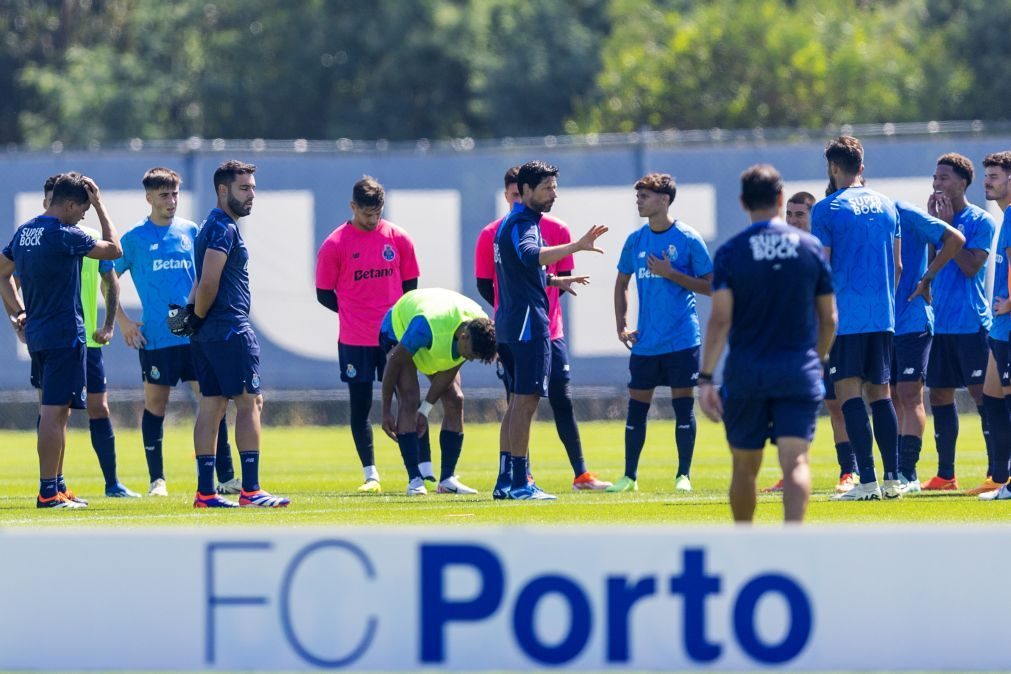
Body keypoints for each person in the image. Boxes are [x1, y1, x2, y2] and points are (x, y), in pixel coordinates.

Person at [699, 164, 836, 523]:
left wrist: (705, 377)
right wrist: (817, 360)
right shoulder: (810, 249)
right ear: (780, 198)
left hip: (747, 373)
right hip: (797, 370)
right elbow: (830, 318)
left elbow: (720, 319)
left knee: (744, 467)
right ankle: (792, 546)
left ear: (744, 202)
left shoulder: (731, 252)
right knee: (796, 463)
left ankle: (746, 545)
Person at [475, 166, 610, 497]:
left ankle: (506, 480)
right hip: (528, 325)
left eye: (555, 187)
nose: (554, 193)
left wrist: (552, 280)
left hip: (509, 323)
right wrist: (576, 246)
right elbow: (531, 255)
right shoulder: (523, 224)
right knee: (525, 403)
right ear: (526, 189)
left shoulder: (509, 224)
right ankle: (521, 483)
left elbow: (516, 270)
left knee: (517, 403)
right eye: (548, 187)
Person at [0, 173, 122, 508]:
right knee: (54, 414)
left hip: (39, 335)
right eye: (81, 209)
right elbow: (114, 249)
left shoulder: (25, 232)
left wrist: (19, 311)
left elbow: (1, 272)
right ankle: (48, 492)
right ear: (69, 205)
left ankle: (58, 485)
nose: (83, 216)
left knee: (58, 412)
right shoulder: (66, 235)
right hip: (64, 335)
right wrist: (99, 204)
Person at [113, 167, 237, 497]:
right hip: (156, 336)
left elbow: (206, 276)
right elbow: (107, 276)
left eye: (175, 194)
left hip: (192, 334)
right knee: (156, 405)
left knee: (212, 403)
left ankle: (224, 476)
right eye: (165, 195)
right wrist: (122, 321)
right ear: (149, 197)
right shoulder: (135, 238)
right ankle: (158, 481)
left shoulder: (190, 231)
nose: (171, 201)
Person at [174, 159, 289, 508]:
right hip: (229, 330)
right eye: (244, 188)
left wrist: (192, 318)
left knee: (211, 407)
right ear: (223, 190)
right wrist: (197, 314)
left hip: (208, 334)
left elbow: (200, 282)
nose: (251, 194)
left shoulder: (210, 224)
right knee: (249, 402)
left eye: (253, 187)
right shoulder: (223, 227)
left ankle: (205, 493)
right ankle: (251, 490)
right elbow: (209, 280)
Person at [607, 172, 712, 493]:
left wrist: (672, 273)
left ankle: (683, 476)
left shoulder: (688, 238)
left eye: (645, 196)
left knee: (683, 407)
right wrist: (621, 325)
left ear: (664, 199)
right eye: (638, 196)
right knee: (636, 409)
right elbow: (622, 282)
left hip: (682, 340)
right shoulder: (635, 240)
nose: (638, 200)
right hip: (646, 343)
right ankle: (629, 477)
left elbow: (712, 286)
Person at [812, 135, 903, 501]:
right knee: (881, 395)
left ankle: (866, 482)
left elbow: (822, 267)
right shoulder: (887, 206)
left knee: (848, 393)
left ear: (834, 167)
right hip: (883, 316)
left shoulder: (827, 209)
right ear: (861, 167)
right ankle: (893, 479)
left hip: (845, 317)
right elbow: (897, 266)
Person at [315, 176, 420, 493]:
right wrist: (353, 311)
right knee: (360, 406)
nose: (372, 219)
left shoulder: (399, 238)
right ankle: (371, 474)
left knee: (407, 401)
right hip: (355, 339)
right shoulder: (335, 244)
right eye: (366, 214)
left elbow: (410, 287)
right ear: (352, 207)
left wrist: (392, 319)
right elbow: (323, 293)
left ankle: (416, 474)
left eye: (377, 213)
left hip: (393, 340)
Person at [922, 153, 999, 495]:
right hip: (941, 326)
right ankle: (945, 474)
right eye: (935, 178)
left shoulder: (981, 220)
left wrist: (949, 228)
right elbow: (932, 266)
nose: (938, 183)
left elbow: (970, 267)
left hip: (972, 324)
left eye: (944, 178)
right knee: (938, 394)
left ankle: (996, 472)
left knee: (984, 397)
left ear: (963, 183)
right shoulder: (937, 220)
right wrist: (935, 228)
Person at [378, 288, 498, 495]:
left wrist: (425, 411)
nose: (469, 359)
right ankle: (415, 480)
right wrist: (386, 411)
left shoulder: (479, 328)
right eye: (470, 354)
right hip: (397, 330)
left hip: (433, 337)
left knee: (455, 399)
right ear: (463, 337)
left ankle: (447, 480)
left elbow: (451, 366)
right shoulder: (425, 326)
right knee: (409, 398)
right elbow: (394, 362)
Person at [889, 200, 965, 493]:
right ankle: (896, 469)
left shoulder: (904, 213)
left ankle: (909, 473)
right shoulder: (872, 219)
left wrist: (928, 276)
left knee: (910, 393)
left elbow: (954, 240)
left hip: (914, 319)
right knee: (892, 394)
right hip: (886, 321)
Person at [978, 151, 1011, 501]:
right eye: (987, 176)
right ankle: (1001, 477)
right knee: (990, 397)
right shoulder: (1006, 217)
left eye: (995, 176)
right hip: (999, 329)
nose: (988, 182)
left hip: (1009, 325)